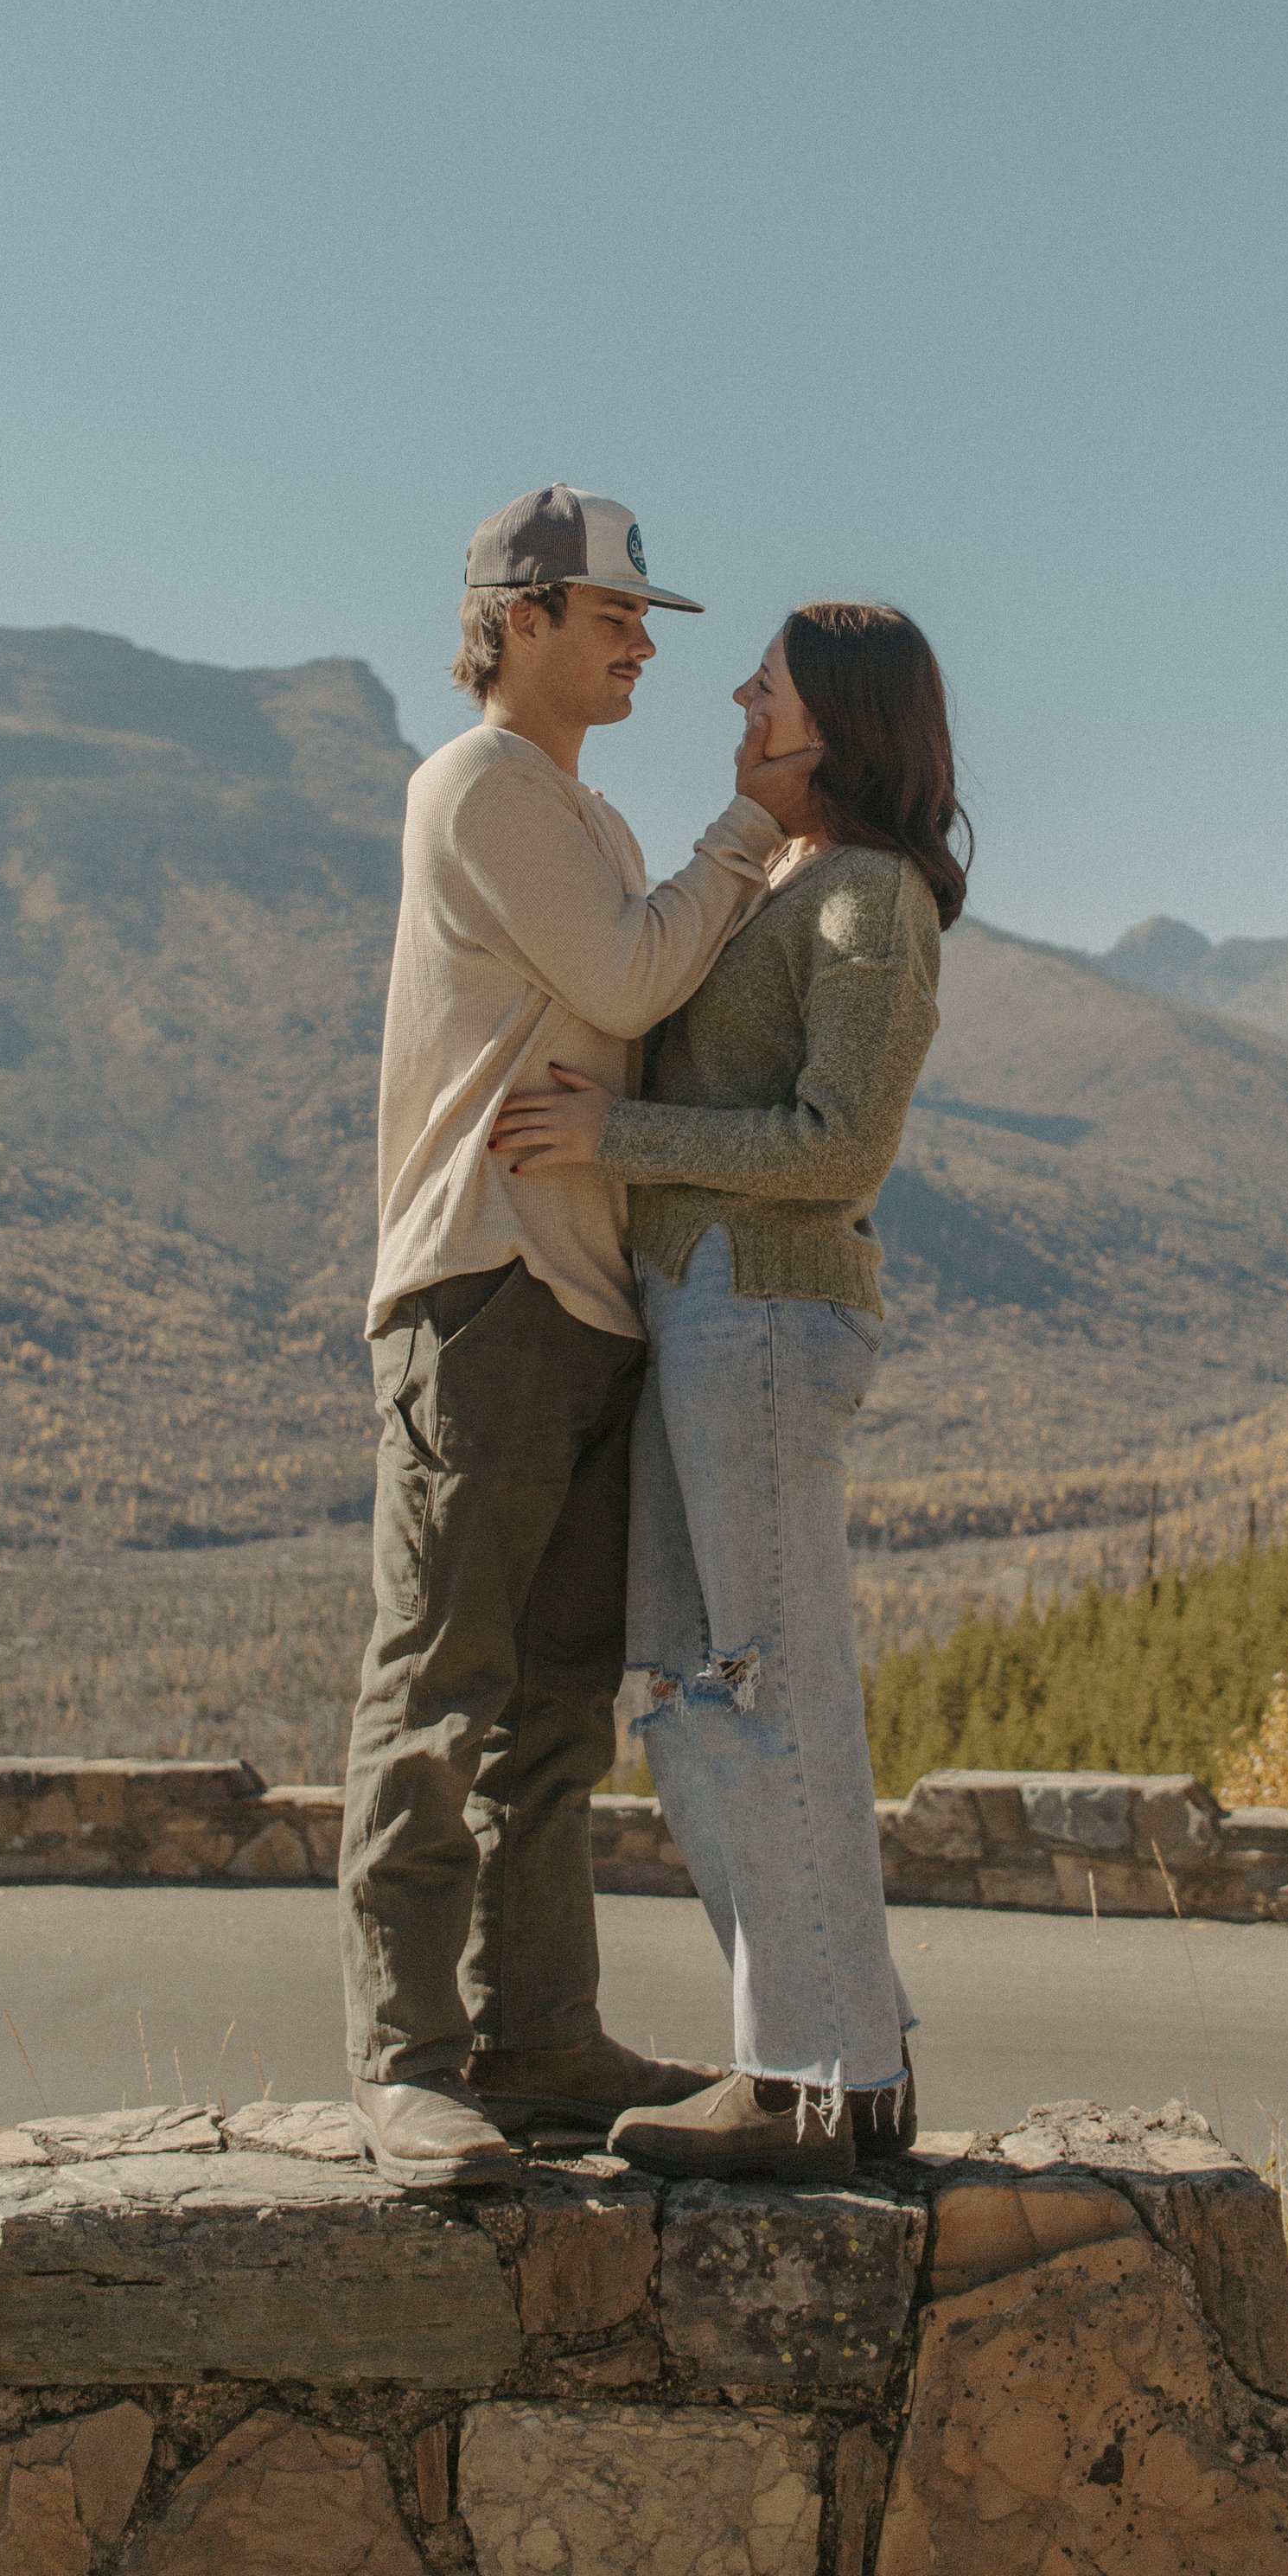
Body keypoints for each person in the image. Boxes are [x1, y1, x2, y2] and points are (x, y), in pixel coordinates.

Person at [340, 484, 823, 2189]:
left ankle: (533, 2033)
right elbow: (627, 984)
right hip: (479, 1288)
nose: (636, 646)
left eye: (642, 622)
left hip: (574, 1289)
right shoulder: (480, 788)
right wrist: (748, 833)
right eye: (612, 617)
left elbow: (642, 1009)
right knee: (441, 1688)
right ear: (521, 617)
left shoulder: (575, 814)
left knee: (548, 1708)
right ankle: (407, 2062)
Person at [489, 599, 968, 2181]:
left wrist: (611, 1142)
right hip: (698, 1312)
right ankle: (820, 2052)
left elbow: (837, 1147)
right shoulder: (784, 882)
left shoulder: (871, 902)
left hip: (768, 1312)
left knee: (768, 1683)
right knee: (689, 1691)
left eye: (767, 679)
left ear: (834, 716)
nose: (740, 695)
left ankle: (828, 2079)